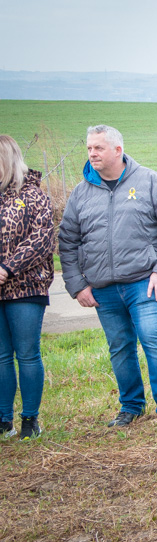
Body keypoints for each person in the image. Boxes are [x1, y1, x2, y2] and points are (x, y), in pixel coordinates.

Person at [58, 125, 157, 433]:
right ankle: (131, 406)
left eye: (98, 148)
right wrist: (77, 284)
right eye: (89, 148)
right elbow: (67, 241)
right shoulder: (81, 192)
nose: (92, 153)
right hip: (103, 289)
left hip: (145, 282)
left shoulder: (150, 182)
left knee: (154, 340)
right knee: (119, 347)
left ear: (118, 150)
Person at [0, 135, 54, 440]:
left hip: (26, 287)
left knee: (27, 353)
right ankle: (3, 418)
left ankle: (30, 420)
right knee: (1, 356)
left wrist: (7, 268)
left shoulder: (32, 195)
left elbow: (42, 239)